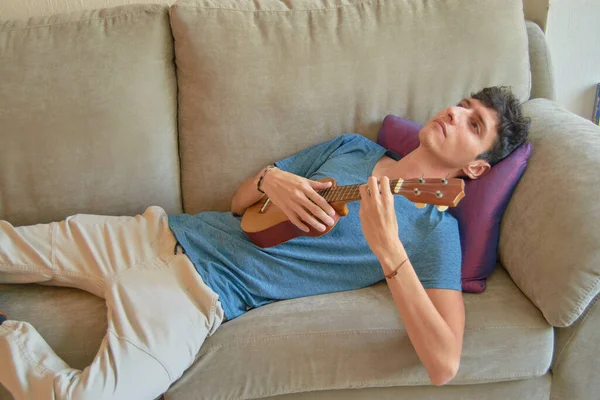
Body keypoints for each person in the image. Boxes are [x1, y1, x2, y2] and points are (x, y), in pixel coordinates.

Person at [0, 86, 530, 399]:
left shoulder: (434, 231)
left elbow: (444, 364)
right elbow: (239, 204)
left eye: (473, 123)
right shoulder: (351, 147)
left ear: (475, 167)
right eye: (461, 104)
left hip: (195, 298)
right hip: (159, 233)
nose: (455, 114)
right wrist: (269, 179)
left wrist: (390, 252)